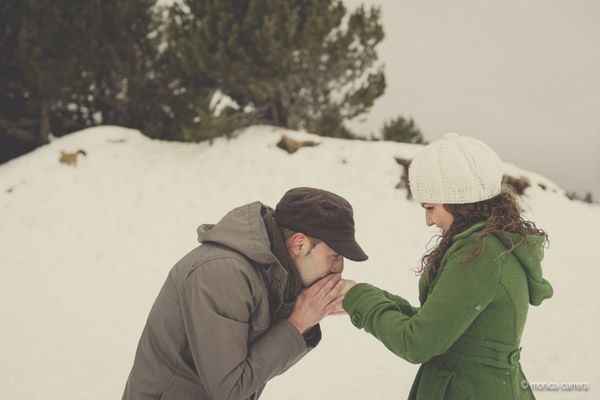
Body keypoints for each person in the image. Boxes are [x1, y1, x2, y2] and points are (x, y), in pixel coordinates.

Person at [341, 133, 553, 399]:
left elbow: (418, 343)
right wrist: (364, 294)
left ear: (458, 201)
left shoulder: (481, 253)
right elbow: (442, 324)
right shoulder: (493, 244)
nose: (428, 221)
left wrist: (360, 300)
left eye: (430, 207)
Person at [122, 187, 368, 400]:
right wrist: (297, 323)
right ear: (299, 244)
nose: (340, 268)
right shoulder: (222, 274)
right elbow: (230, 390)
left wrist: (305, 313)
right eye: (335, 256)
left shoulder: (267, 271)